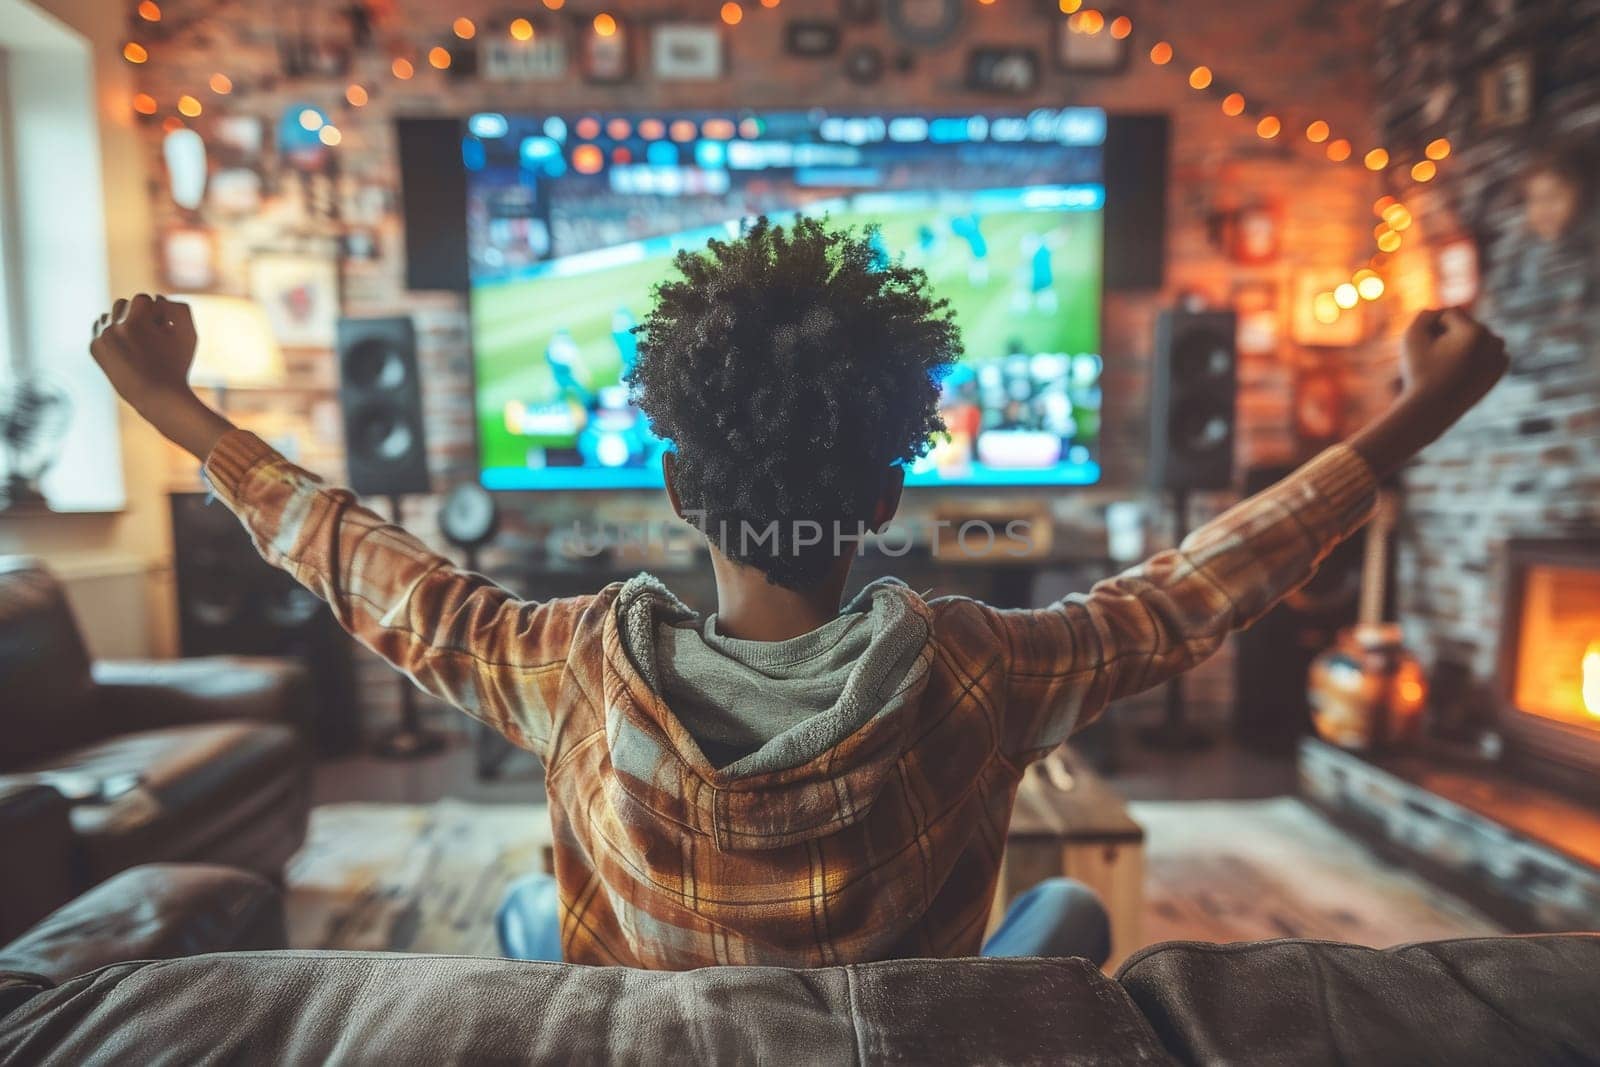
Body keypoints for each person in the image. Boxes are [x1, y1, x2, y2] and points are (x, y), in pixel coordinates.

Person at [88, 217, 1507, 971]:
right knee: (1070, 922)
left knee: (530, 918)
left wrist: (177, 410)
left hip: (660, 1032)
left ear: (675, 485)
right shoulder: (985, 665)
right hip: (909, 1031)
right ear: (887, 495)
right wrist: (1415, 416)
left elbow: (355, 557)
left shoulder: (560, 660)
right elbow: (1197, 590)